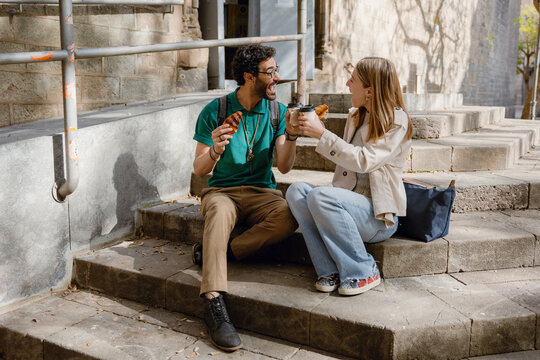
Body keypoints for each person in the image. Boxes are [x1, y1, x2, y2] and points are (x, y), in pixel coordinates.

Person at [191, 44, 299, 351]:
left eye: (276, 70)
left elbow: (285, 166)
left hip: (263, 192)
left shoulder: (277, 111)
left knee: (290, 215)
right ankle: (214, 302)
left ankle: (225, 250)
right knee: (220, 213)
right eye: (270, 72)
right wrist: (215, 149)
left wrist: (291, 134)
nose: (277, 78)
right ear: (249, 77)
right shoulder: (216, 111)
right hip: (222, 191)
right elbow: (200, 170)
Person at [285, 57, 413, 296]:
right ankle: (329, 270)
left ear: (370, 91)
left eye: (352, 80)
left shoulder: (397, 122)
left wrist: (322, 134)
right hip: (348, 206)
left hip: (378, 216)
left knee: (322, 196)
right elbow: (345, 162)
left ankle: (363, 270)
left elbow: (364, 160)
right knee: (297, 191)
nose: (346, 83)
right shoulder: (356, 115)